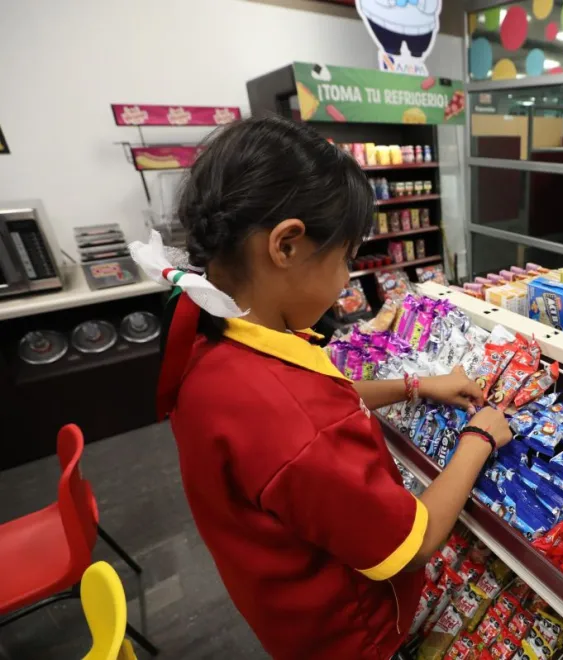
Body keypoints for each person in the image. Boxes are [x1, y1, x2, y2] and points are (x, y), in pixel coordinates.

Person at [130, 116, 512, 659]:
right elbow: (416, 542)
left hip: (281, 608)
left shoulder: (213, 334)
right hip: (350, 638)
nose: (344, 285)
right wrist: (479, 437)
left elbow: (323, 392)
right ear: (285, 245)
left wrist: (416, 384)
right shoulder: (295, 420)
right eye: (345, 260)